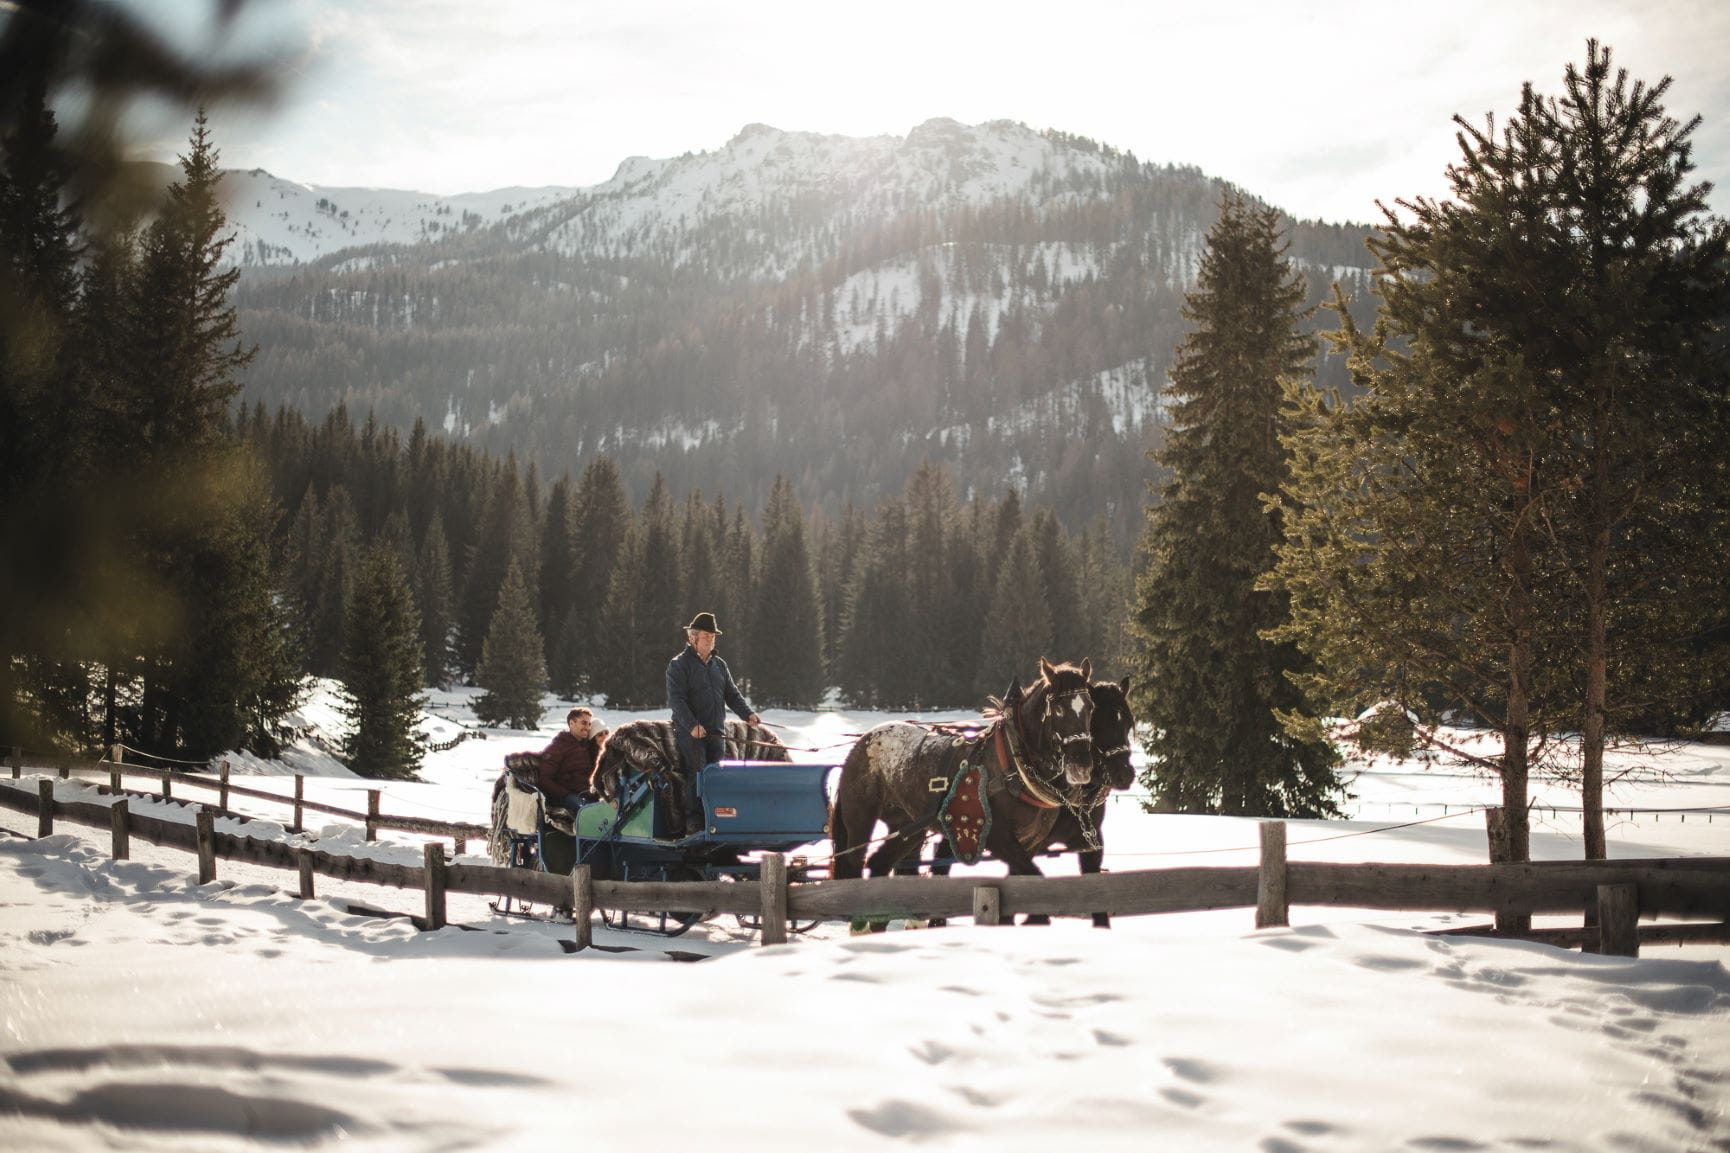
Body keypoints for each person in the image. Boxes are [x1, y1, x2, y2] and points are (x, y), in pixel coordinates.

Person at [666, 612, 759, 835]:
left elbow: (732, 694)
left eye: (713, 636)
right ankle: (694, 820)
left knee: (716, 773)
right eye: (707, 636)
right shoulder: (679, 665)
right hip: (690, 732)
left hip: (717, 731)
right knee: (698, 772)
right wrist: (692, 726)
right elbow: (676, 700)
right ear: (692, 638)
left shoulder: (719, 665)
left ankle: (715, 817)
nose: (711, 640)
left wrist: (748, 715)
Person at [534, 707, 608, 812]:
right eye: (583, 723)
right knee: (592, 812)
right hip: (565, 796)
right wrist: (565, 794)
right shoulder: (559, 746)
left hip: (586, 793)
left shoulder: (586, 745)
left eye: (589, 724)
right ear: (571, 723)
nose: (587, 727)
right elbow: (544, 778)